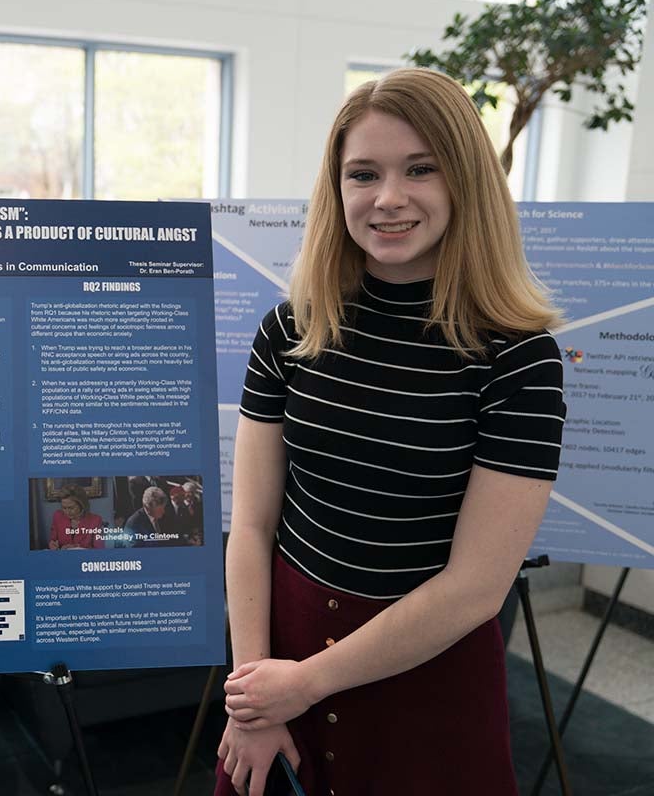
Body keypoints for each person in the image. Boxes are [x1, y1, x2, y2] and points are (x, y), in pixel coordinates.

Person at [216, 68, 564, 796]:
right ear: (335, 189)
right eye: (363, 174)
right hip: (279, 653)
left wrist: (304, 684)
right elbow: (249, 526)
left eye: (420, 169)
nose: (389, 198)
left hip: (426, 673)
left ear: (465, 179)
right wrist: (255, 696)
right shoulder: (291, 331)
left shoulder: (518, 358)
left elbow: (474, 589)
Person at [47, 484, 105, 549]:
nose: (67, 512)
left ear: (82, 505)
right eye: (64, 508)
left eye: (71, 508)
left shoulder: (95, 520)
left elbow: (99, 550)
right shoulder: (58, 516)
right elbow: (53, 540)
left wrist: (78, 549)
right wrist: (53, 545)